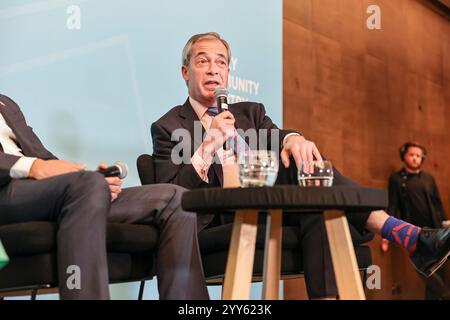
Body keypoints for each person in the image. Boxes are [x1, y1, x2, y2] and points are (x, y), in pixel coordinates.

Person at [151, 32, 450, 298]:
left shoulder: (250, 112)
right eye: (203, 61)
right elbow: (173, 197)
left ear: (228, 73)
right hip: (217, 216)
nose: (213, 69)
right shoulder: (168, 127)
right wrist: (208, 144)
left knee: (311, 187)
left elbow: (278, 136)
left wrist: (294, 139)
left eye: (221, 62)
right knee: (317, 194)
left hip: (264, 205)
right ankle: (407, 236)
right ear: (185, 72)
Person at [0, 94, 209, 300]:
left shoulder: (6, 103)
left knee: (174, 198)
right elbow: (39, 165)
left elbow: (43, 158)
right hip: (6, 191)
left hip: (44, 192)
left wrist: (90, 180)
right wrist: (34, 167)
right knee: (87, 186)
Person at [384, 142, 450, 299]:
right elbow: (393, 205)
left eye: (419, 156)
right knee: (426, 272)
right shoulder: (396, 179)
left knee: (438, 270)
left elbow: (437, 203)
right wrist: (386, 235)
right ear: (404, 156)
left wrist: (445, 222)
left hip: (435, 231)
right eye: (412, 155)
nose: (415, 158)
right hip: (414, 232)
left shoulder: (428, 178)